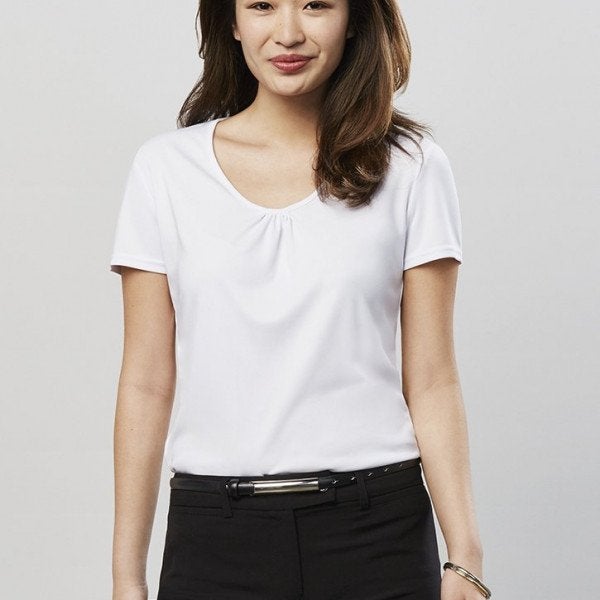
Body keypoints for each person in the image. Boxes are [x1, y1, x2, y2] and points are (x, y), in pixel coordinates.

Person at [109, 1, 491, 599]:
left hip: (378, 534)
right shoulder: (165, 171)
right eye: (262, 5)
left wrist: (465, 557)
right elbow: (145, 383)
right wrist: (126, 577)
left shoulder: (412, 167)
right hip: (215, 538)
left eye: (316, 4)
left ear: (354, 18)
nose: (288, 33)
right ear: (231, 21)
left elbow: (433, 378)